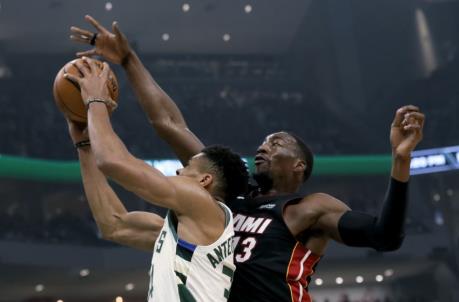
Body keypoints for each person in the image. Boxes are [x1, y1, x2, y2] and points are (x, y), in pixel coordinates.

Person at [70, 16, 425, 302]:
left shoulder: (308, 208)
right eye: (264, 142)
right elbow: (168, 122)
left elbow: (386, 236)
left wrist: (400, 160)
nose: (264, 146)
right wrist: (129, 60)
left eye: (277, 143)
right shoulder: (225, 195)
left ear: (299, 165)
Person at [63, 57, 249, 302]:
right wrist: (84, 146)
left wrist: (95, 100)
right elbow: (114, 225)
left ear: (205, 181)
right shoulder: (187, 233)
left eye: (187, 168)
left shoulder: (203, 203)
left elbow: (112, 161)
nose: (178, 173)